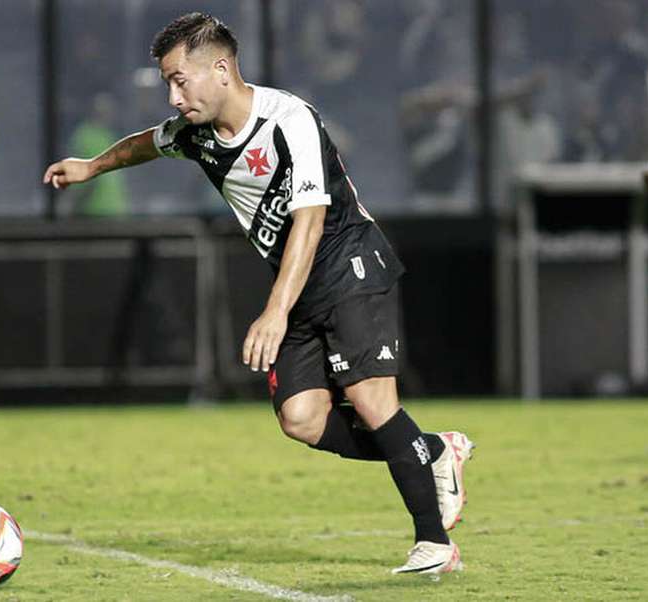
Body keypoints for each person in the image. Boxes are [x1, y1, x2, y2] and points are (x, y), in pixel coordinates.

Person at [43, 13, 474, 576]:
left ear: (220, 69)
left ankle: (434, 543)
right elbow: (143, 146)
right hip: (299, 282)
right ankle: (434, 452)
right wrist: (91, 166)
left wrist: (274, 311)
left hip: (349, 264)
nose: (173, 96)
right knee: (301, 418)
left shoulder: (288, 120)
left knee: (372, 402)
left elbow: (311, 221)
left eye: (179, 80)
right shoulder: (195, 133)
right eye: (168, 84)